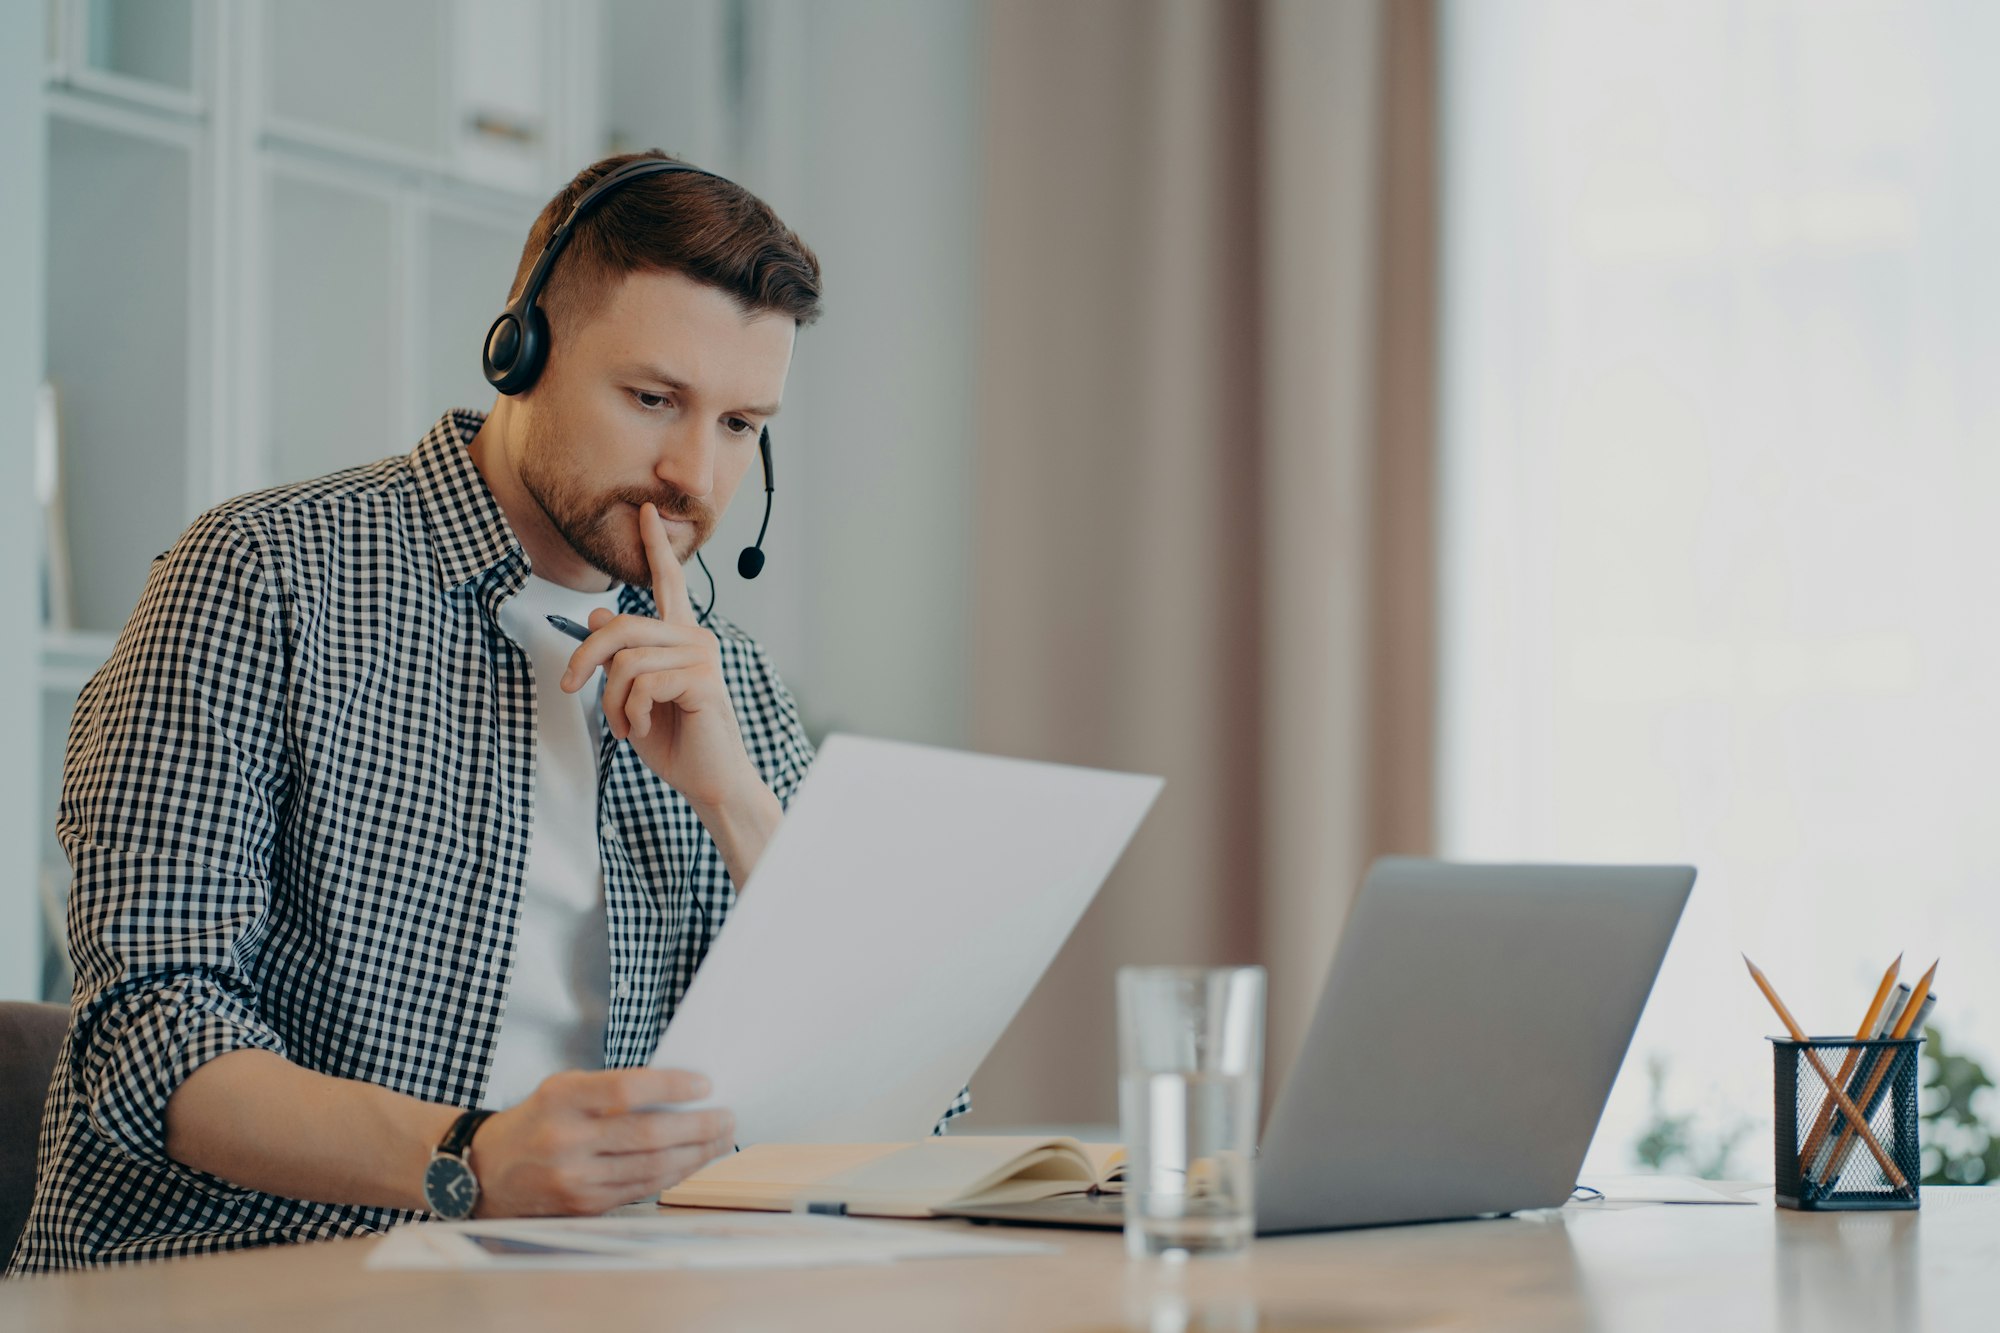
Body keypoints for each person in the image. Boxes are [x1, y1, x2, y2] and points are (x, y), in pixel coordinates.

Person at [10, 151, 965, 1274]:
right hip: (237, 1284)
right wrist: (471, 1157)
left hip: (587, 1296)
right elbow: (145, 1034)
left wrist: (738, 803)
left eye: (740, 425)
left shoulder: (728, 683)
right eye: (653, 399)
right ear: (522, 352)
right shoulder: (262, 578)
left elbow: (907, 1113)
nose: (691, 474)